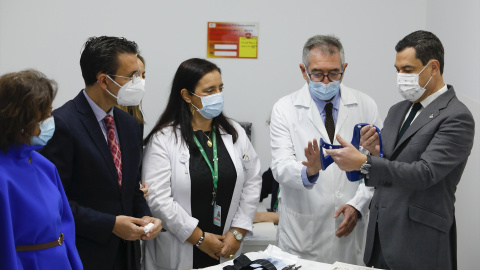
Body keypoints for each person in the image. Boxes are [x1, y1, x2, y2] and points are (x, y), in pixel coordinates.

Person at [324, 30, 475, 269]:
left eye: (407, 70)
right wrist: (374, 151)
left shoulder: (457, 117)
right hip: (381, 236)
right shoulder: (398, 110)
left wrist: (365, 162)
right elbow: (391, 165)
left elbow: (425, 173)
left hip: (419, 242)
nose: (400, 77)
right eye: (397, 70)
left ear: (433, 67)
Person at [40, 36, 162, 270]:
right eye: (131, 76)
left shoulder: (129, 124)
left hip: (127, 254)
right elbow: (55, 202)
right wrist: (110, 224)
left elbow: (131, 188)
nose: (139, 82)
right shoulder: (62, 124)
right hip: (84, 253)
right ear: (104, 81)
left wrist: (146, 216)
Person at [270, 35, 382, 265]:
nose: (326, 81)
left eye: (333, 73)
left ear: (344, 69)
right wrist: (308, 171)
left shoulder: (365, 105)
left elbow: (377, 163)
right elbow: (280, 167)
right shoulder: (284, 108)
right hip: (302, 233)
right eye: (318, 73)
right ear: (304, 71)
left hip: (350, 230)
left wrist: (358, 205)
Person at [142, 58, 262, 270]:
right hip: (179, 248)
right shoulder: (164, 138)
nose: (218, 95)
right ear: (187, 95)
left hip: (227, 245)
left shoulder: (233, 132)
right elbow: (158, 198)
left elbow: (252, 182)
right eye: (209, 91)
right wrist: (198, 238)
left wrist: (238, 232)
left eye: (220, 88)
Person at [0, 69, 83, 270]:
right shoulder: (3, 177)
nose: (50, 121)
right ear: (20, 121)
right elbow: (5, 249)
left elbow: (65, 226)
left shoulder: (43, 164)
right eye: (43, 116)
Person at [116, 54, 148, 198]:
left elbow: (135, 169)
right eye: (134, 76)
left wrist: (138, 189)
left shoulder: (135, 118)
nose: (140, 81)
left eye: (143, 75)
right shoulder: (107, 118)